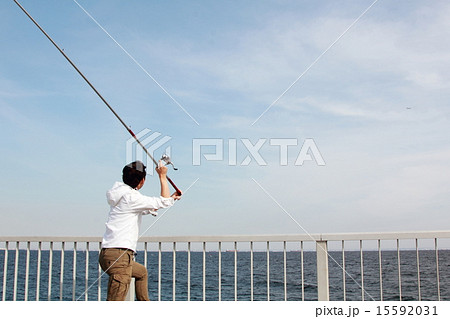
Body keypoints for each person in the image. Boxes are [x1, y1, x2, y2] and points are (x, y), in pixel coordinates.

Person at [99, 160, 181, 301]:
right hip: (120, 257)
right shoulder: (131, 197)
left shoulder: (123, 195)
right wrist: (162, 176)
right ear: (142, 181)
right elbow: (163, 201)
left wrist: (171, 199)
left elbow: (150, 207)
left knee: (141, 272)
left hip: (108, 254)